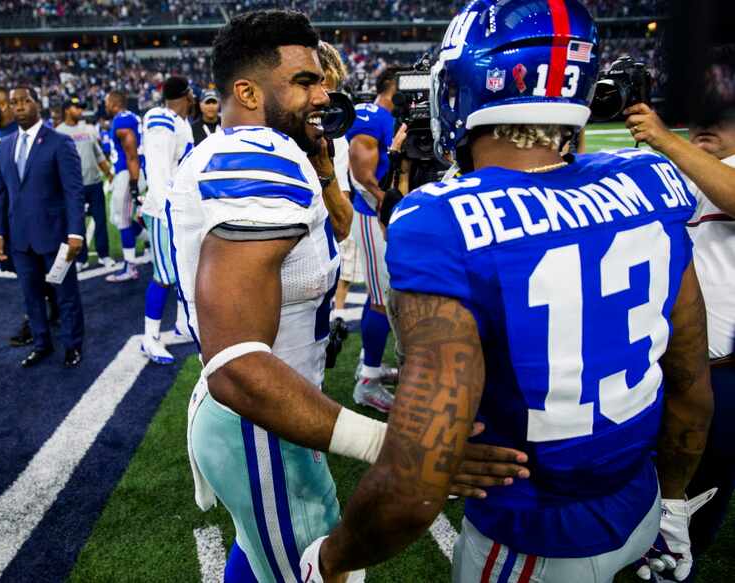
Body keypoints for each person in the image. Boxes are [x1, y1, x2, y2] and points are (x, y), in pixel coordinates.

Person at [301, 2, 714, 583]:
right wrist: (671, 504)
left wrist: (332, 559)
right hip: (641, 508)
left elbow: (416, 478)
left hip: (533, 539)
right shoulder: (651, 181)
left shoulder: (439, 219)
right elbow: (690, 387)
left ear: (468, 87)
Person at [169, 11, 529, 583]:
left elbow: (333, 229)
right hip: (261, 421)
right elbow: (235, 366)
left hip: (272, 411)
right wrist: (397, 447)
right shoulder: (255, 155)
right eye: (306, 81)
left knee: (263, 557)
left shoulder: (270, 149)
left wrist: (318, 162)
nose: (325, 94)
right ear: (247, 91)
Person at [624, 102, 735, 582]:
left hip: (721, 371)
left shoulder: (708, 168)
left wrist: (663, 138)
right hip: (656, 365)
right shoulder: (680, 170)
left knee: (694, 494)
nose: (707, 123)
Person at [0, 87, 86, 368]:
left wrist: (75, 232)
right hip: (19, 238)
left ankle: (72, 345)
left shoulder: (59, 142)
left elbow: (73, 191)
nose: (19, 106)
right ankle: (42, 343)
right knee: (30, 295)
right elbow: (0, 192)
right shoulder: (5, 145)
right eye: (14, 103)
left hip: (55, 235)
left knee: (65, 295)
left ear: (37, 104)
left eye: (25, 101)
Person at [0, 85, 60, 347]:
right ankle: (45, 316)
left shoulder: (25, 136)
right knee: (28, 275)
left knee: (34, 275)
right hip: (10, 219)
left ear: (2, 106)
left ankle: (38, 321)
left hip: (33, 220)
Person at [346, 64, 408, 413]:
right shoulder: (372, 114)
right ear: (390, 87)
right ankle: (367, 381)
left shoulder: (393, 117)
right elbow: (359, 162)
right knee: (382, 298)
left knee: (389, 293)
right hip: (373, 216)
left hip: (385, 214)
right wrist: (385, 199)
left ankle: (369, 362)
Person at [140, 76, 195, 365]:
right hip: (165, 211)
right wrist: (168, 212)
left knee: (182, 271)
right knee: (164, 276)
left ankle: (182, 324)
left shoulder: (179, 121)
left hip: (177, 208)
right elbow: (159, 172)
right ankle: (150, 338)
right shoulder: (161, 119)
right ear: (186, 95)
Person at [316, 41, 361, 321]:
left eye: (329, 91)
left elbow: (342, 224)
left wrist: (321, 161)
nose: (322, 100)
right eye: (312, 86)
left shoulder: (335, 139)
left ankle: (338, 311)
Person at [56, 95, 115, 270]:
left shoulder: (89, 129)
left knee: (100, 221)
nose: (80, 111)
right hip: (74, 187)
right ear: (67, 109)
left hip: (95, 183)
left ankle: (104, 255)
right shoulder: (59, 132)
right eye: (77, 108)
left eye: (81, 108)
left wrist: (108, 174)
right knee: (77, 223)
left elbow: (98, 155)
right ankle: (80, 259)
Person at [104, 90, 147, 283]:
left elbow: (131, 153)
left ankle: (130, 266)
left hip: (129, 171)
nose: (104, 105)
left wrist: (133, 180)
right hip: (128, 171)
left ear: (113, 103)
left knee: (122, 219)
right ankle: (150, 240)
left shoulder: (121, 120)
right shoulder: (130, 117)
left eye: (106, 102)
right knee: (118, 217)